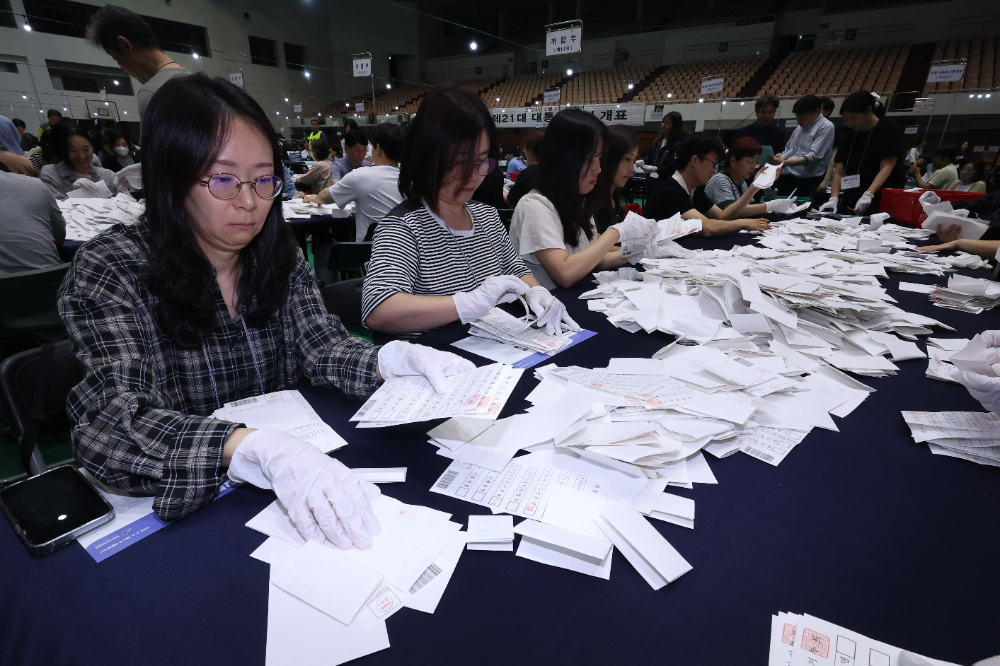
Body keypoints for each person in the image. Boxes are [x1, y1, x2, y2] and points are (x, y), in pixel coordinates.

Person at [57, 73, 472, 544]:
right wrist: (247, 446)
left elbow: (320, 346)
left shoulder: (276, 250)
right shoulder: (113, 268)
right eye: (223, 180)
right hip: (197, 505)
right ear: (170, 176)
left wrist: (388, 360)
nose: (250, 203)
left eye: (263, 180)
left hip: (290, 486)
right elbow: (108, 425)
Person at [362, 83, 575, 336]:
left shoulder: (486, 216)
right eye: (459, 162)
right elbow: (379, 309)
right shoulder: (404, 227)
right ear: (426, 156)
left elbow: (516, 270)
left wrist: (535, 292)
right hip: (440, 362)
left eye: (481, 162)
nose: (473, 177)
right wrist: (467, 303)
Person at [510, 109, 656, 290]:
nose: (598, 169)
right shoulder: (534, 205)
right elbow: (565, 273)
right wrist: (616, 232)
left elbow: (590, 260)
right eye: (589, 159)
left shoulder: (579, 201)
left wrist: (630, 254)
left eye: (600, 159)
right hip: (546, 308)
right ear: (564, 158)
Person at [643, 133, 772, 236]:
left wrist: (754, 188)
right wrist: (743, 223)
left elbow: (722, 216)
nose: (713, 169)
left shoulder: (693, 189)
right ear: (695, 160)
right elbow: (707, 227)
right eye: (713, 162)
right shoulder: (670, 191)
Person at [304, 122, 404, 241]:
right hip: (406, 251)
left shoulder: (361, 175)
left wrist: (311, 197)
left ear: (378, 149)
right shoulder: (410, 180)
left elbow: (325, 197)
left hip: (370, 253)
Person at [87, 4, 191, 118]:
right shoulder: (196, 82)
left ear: (125, 45)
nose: (122, 67)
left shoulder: (153, 93)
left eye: (116, 58)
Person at [820, 91, 904, 215]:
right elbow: (839, 171)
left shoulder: (890, 129)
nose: (850, 123)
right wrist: (834, 197)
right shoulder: (848, 137)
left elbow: (887, 166)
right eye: (846, 120)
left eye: (853, 118)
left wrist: (869, 194)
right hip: (853, 192)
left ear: (869, 109)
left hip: (882, 193)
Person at [705, 137, 799, 217]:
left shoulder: (742, 183)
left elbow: (753, 208)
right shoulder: (720, 179)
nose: (753, 166)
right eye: (750, 161)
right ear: (733, 161)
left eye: (756, 162)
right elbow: (730, 212)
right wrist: (770, 206)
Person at [0, 170, 66, 273]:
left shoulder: (35, 185)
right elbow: (59, 238)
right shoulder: (35, 185)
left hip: (47, 281)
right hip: (51, 282)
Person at [772, 95, 835, 197]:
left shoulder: (826, 127)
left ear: (816, 111)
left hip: (808, 180)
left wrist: (786, 162)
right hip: (788, 176)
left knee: (801, 210)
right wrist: (781, 155)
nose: (799, 120)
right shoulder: (799, 128)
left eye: (802, 117)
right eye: (797, 116)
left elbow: (813, 156)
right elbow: (793, 150)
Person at [39, 121, 118, 198]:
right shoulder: (51, 174)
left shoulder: (108, 175)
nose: (81, 156)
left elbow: (127, 203)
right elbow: (53, 207)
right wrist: (79, 194)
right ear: (62, 151)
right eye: (72, 151)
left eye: (86, 149)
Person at [593, 125, 638, 233]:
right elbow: (595, 241)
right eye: (627, 159)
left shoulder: (613, 196)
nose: (632, 168)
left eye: (634, 160)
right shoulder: (592, 202)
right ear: (609, 157)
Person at [505, 129, 544, 208]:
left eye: (524, 149)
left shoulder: (528, 173)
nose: (524, 153)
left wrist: (501, 192)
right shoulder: (556, 171)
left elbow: (511, 200)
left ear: (531, 151)